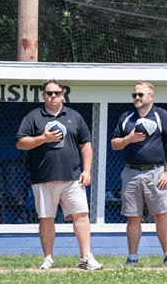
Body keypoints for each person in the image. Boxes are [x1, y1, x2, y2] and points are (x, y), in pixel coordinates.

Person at [16, 80, 103, 271]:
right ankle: (48, 258)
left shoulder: (74, 116)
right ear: (43, 96)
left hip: (73, 177)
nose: (53, 96)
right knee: (46, 218)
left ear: (63, 95)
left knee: (81, 215)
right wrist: (43, 138)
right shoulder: (33, 117)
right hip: (43, 177)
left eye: (57, 93)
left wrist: (87, 170)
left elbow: (86, 144)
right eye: (49, 93)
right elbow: (20, 143)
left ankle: (85, 257)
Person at [110, 81, 167, 265]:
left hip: (156, 173)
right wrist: (128, 139)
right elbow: (114, 144)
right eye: (134, 95)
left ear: (151, 96)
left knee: (160, 215)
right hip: (131, 173)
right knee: (133, 216)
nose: (137, 98)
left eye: (140, 94)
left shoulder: (162, 116)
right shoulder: (126, 117)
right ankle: (132, 257)